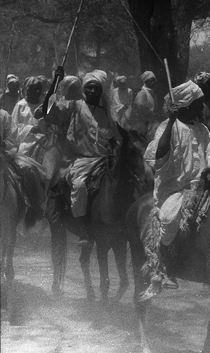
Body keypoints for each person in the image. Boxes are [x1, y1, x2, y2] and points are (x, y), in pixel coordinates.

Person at [141, 81, 210, 297]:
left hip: (201, 185)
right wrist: (171, 121)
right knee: (168, 219)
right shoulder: (168, 127)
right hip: (173, 189)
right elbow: (158, 155)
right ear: (186, 106)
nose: (202, 108)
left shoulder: (202, 129)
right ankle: (163, 265)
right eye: (198, 104)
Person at [43, 68, 119, 244]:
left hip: (105, 159)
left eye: (96, 88)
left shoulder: (107, 112)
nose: (93, 91)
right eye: (90, 87)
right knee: (79, 185)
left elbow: (115, 136)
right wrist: (56, 81)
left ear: (102, 91)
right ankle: (84, 228)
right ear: (85, 89)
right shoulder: (75, 106)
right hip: (79, 160)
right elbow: (48, 112)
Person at [11, 76, 47, 161]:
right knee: (22, 160)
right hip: (26, 141)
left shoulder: (43, 106)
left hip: (43, 141)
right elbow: (13, 128)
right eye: (35, 89)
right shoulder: (20, 105)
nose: (38, 91)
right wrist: (29, 129)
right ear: (29, 90)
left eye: (39, 89)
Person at [131, 71, 158, 140]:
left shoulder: (152, 94)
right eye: (150, 81)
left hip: (151, 122)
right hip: (142, 124)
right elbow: (140, 108)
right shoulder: (142, 93)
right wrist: (152, 115)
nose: (152, 83)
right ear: (145, 82)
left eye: (153, 80)